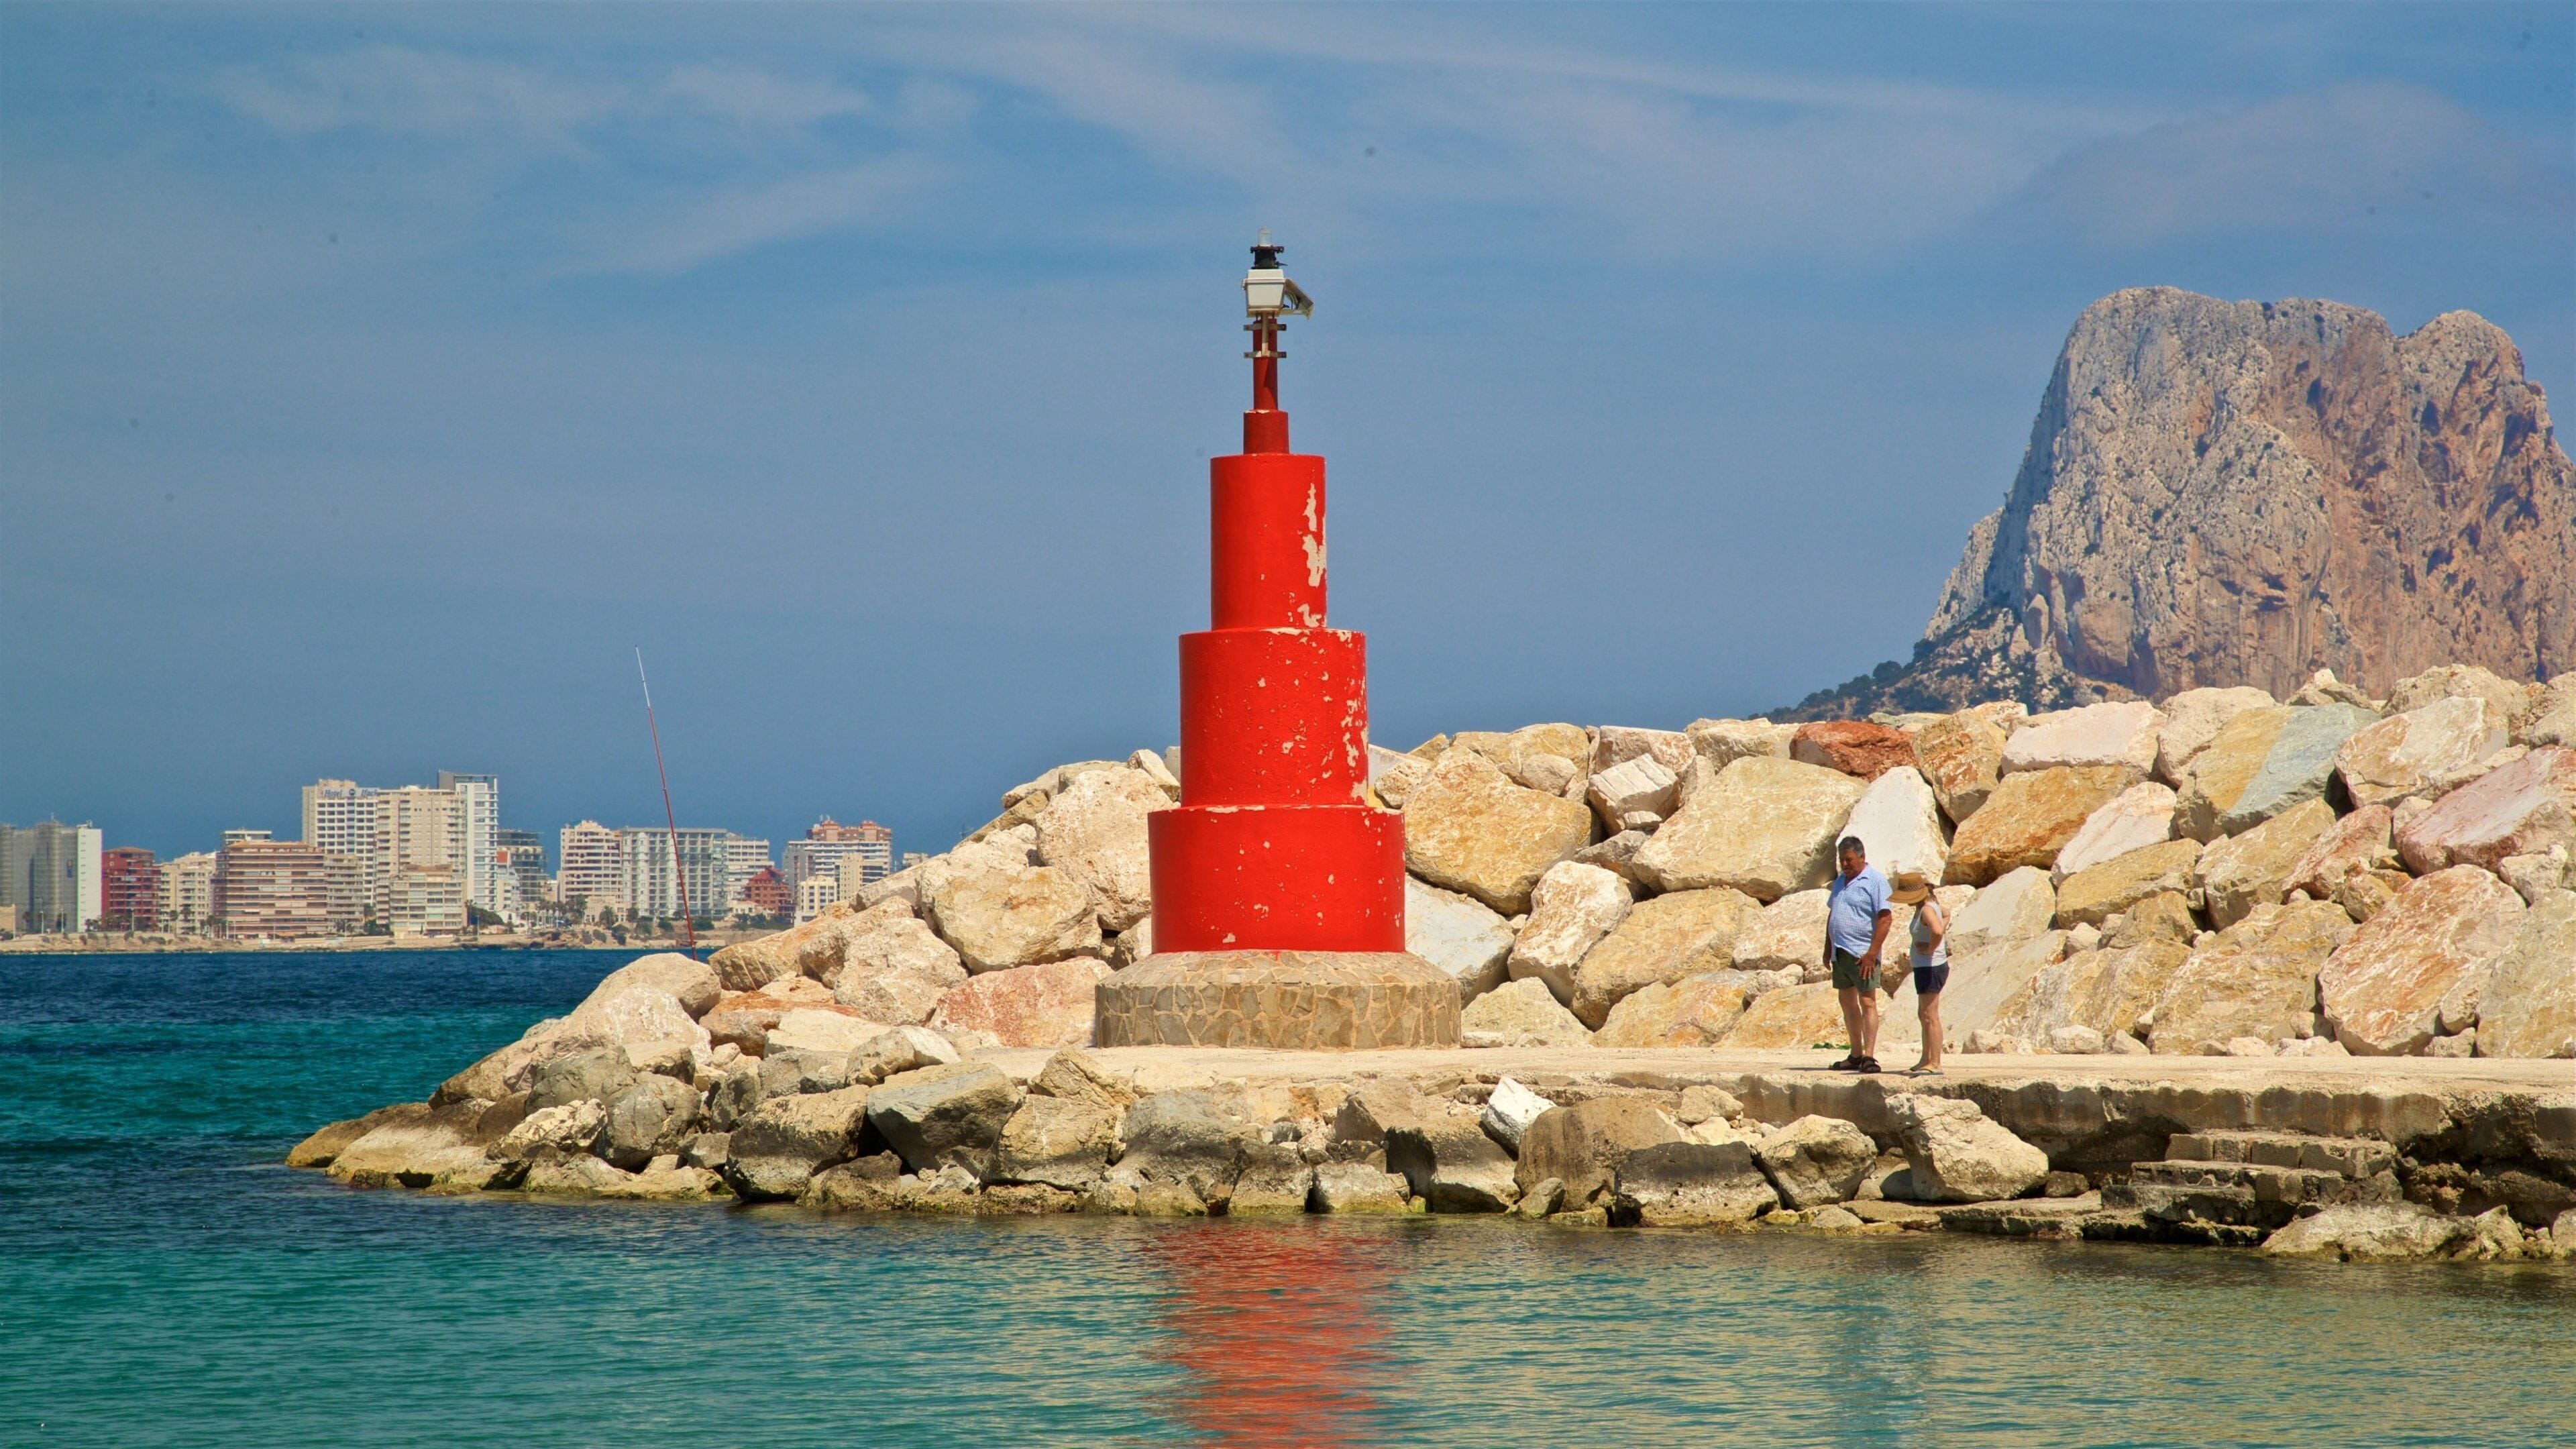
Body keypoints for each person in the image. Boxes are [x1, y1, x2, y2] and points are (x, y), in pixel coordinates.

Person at [1822, 836, 1892, 1073]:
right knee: (1847, 1001)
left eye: (1849, 859)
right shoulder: (1841, 881)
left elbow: (1885, 917)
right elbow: (1833, 915)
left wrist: (1872, 953)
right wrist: (1827, 948)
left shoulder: (1874, 881)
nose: (1845, 864)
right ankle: (1855, 1054)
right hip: (1840, 951)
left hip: (1862, 953)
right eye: (1842, 860)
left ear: (1862, 857)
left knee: (1867, 1001)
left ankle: (1870, 1057)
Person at [1890, 871, 1948, 1074]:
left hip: (1931, 967)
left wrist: (1932, 948)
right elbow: (1946, 914)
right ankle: (1926, 1059)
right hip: (1925, 967)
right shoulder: (1930, 907)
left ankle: (1935, 1063)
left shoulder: (1926, 910)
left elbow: (1938, 931)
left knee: (1930, 1015)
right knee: (1923, 1014)